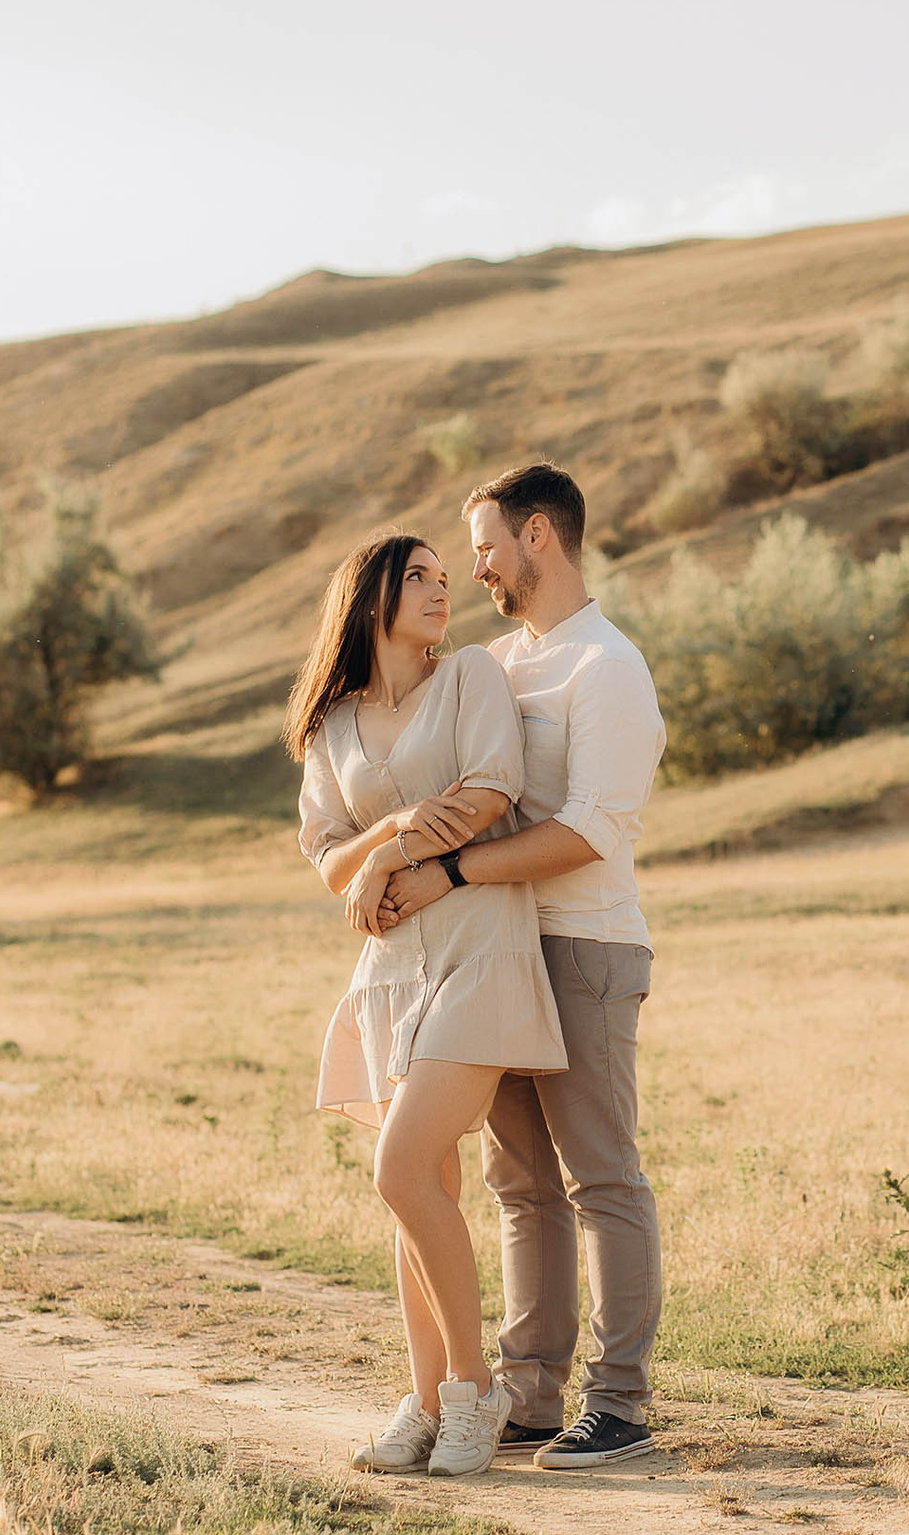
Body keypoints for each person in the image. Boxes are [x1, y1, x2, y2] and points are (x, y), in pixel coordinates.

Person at [378, 461, 669, 1469]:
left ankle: (619, 1404)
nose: (478, 571)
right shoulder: (498, 664)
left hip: (586, 946)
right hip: (498, 952)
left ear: (538, 534)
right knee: (520, 1184)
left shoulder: (608, 667)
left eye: (487, 548)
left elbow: (588, 830)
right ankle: (533, 1393)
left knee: (601, 1175)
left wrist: (451, 872)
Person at [286, 530, 567, 1478]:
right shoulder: (333, 726)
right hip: (392, 969)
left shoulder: (472, 676)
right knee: (423, 1190)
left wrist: (394, 853)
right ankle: (428, 1398)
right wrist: (399, 828)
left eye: (447, 578)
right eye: (419, 577)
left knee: (400, 1167)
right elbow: (331, 862)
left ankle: (474, 1390)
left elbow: (489, 794)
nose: (444, 590)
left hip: (481, 948)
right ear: (370, 596)